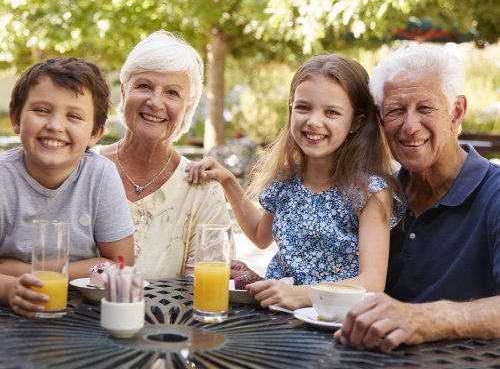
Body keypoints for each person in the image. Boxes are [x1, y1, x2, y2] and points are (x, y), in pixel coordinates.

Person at [188, 54, 404, 310]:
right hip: (275, 318)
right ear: (291, 108)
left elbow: (372, 282)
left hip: (331, 324)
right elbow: (260, 236)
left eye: (332, 112)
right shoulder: (286, 181)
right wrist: (228, 182)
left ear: (356, 122)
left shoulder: (370, 191)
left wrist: (300, 295)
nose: (314, 121)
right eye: (303, 107)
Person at [335, 44, 500, 352]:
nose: (410, 126)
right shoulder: (375, 198)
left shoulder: (494, 195)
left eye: (425, 108)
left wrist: (423, 318)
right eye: (396, 110)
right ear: (380, 119)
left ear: (457, 111)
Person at [1, 57, 135, 315]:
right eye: (41, 110)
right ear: (16, 119)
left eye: (73, 116)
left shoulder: (101, 175)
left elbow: (121, 265)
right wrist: (9, 289)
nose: (55, 126)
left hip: (84, 316)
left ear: (95, 134)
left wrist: (24, 271)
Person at [98, 31, 232, 279]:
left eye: (172, 93)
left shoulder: (202, 190)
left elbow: (206, 289)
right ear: (125, 91)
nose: (155, 102)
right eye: (144, 86)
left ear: (187, 107)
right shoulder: (83, 167)